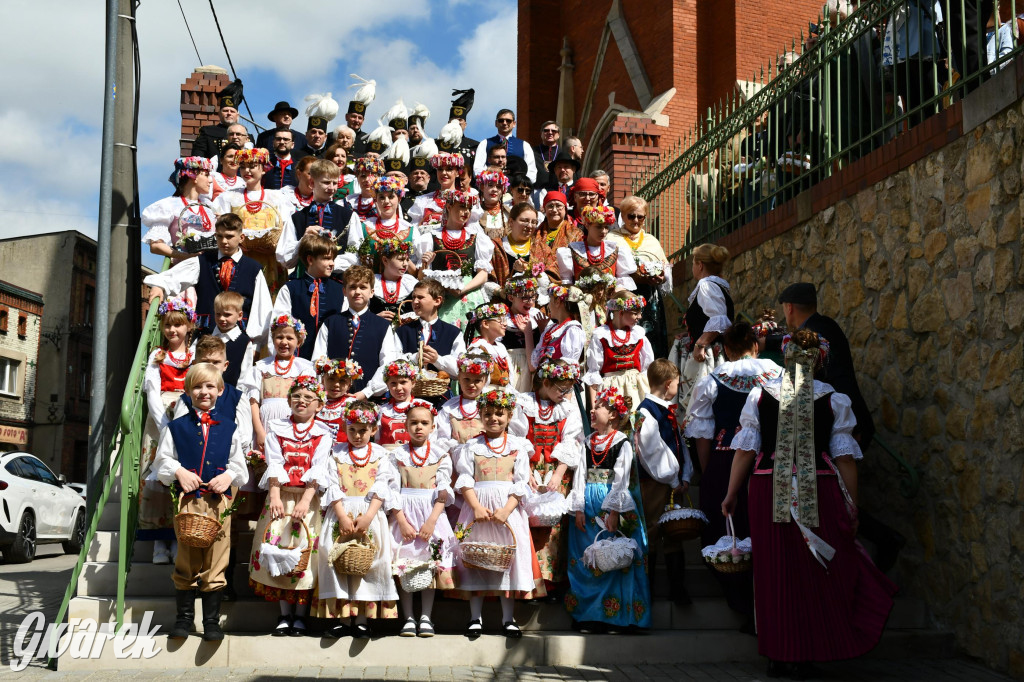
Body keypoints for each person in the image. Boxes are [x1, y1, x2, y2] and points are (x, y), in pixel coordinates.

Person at [723, 330, 896, 678]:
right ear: (820, 359)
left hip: (767, 486)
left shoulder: (760, 395)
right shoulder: (833, 400)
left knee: (775, 571)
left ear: (786, 356)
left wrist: (731, 492)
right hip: (819, 486)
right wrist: (853, 505)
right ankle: (807, 652)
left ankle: (778, 653)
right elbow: (845, 458)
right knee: (817, 569)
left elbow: (746, 449)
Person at [686, 320, 781, 625]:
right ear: (755, 345)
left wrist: (708, 468)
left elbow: (702, 432)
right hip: (770, 460)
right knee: (764, 526)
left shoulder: (712, 379)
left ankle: (740, 600)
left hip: (726, 460)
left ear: (725, 349)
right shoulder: (778, 375)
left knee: (726, 529)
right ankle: (767, 599)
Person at [154, 362, 248, 642]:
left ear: (220, 390)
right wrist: (179, 471)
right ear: (188, 391)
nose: (203, 392)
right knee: (187, 557)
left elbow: (239, 467)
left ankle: (211, 621)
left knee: (217, 558)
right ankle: (183, 619)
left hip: (218, 502)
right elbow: (162, 462)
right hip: (188, 502)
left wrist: (227, 476)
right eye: (197, 386)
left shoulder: (230, 427)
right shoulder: (176, 427)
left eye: (209, 386)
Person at [309, 400, 400, 638]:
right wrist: (341, 515)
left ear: (373, 429)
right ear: (345, 427)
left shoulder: (381, 454)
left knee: (367, 562)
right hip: (341, 512)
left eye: (363, 430)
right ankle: (339, 617)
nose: (358, 435)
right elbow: (330, 483)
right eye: (352, 430)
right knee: (336, 559)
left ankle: (361, 618)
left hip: (369, 514)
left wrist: (369, 516)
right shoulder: (336, 453)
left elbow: (383, 485)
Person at [249, 376, 330, 636]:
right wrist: (274, 495)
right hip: (281, 496)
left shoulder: (323, 432)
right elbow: (274, 462)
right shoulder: (277, 428)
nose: (302, 401)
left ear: (318, 405)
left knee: (304, 553)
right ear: (288, 401)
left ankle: (301, 616)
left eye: (308, 398)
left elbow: (317, 468)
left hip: (308, 499)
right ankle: (284, 615)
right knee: (279, 549)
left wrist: (306, 500)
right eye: (297, 397)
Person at [452, 388, 536, 638]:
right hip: (478, 508)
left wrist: (508, 510)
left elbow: (521, 483)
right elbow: (466, 479)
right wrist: (476, 506)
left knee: (506, 561)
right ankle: (474, 618)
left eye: (500, 414)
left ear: (510, 416)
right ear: (480, 415)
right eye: (487, 414)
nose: (493, 419)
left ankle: (508, 619)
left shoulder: (517, 446)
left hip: (506, 511)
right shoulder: (471, 446)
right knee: (476, 557)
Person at [566, 386, 651, 634]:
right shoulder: (587, 442)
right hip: (588, 504)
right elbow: (580, 475)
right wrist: (579, 508)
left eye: (599, 406)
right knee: (588, 557)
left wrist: (615, 511)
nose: (592, 410)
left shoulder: (621, 442)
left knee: (613, 557)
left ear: (613, 414)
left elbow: (622, 478)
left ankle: (617, 617)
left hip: (611, 504)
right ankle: (589, 615)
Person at [509, 359, 583, 597]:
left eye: (569, 389)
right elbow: (518, 440)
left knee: (554, 527)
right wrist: (526, 472)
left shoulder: (568, 408)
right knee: (528, 522)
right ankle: (530, 582)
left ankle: (552, 583)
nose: (566, 394)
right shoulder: (523, 403)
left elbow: (571, 441)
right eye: (562, 389)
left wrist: (559, 474)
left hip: (557, 470)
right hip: (527, 470)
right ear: (546, 382)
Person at [767, 282, 874, 446]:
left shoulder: (817, 333)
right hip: (843, 414)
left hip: (842, 417)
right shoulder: (826, 325)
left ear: (789, 308)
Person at [145, 213, 272, 342]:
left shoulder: (253, 268)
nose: (224, 241)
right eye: (220, 236)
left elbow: (261, 307)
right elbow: (174, 277)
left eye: (229, 237)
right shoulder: (202, 261)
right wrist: (160, 286)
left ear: (241, 237)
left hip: (239, 339)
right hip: (205, 337)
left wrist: (256, 343)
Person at [388, 401, 456, 638]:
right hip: (405, 515)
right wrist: (402, 521)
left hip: (430, 515)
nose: (419, 427)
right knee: (405, 566)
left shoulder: (440, 456)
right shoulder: (397, 456)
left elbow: (443, 492)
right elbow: (391, 491)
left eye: (424, 423)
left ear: (433, 426)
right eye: (414, 422)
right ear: (405, 425)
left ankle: (426, 616)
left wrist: (432, 521)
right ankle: (408, 617)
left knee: (429, 565)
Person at [634, 359, 695, 606]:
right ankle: (646, 590)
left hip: (672, 483)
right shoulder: (646, 411)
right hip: (656, 483)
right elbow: (651, 452)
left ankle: (677, 588)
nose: (678, 387)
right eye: (678, 383)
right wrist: (672, 480)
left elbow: (678, 443)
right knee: (653, 529)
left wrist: (686, 475)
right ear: (668, 383)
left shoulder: (666, 410)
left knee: (673, 532)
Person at [139, 299, 195, 564]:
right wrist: (164, 426)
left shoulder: (194, 356)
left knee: (180, 476)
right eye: (168, 325)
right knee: (157, 478)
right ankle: (158, 542)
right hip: (159, 418)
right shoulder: (157, 355)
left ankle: (176, 537)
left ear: (189, 326)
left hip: (185, 416)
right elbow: (151, 390)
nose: (173, 330)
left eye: (178, 325)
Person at [310, 265, 402, 398]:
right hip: (331, 398)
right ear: (344, 291)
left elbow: (387, 364)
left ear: (371, 292)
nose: (357, 292)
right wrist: (326, 389)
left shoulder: (382, 326)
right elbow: (318, 360)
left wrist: (367, 392)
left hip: (368, 400)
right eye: (352, 287)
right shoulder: (331, 323)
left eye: (363, 287)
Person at [215, 147, 293, 296]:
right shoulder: (229, 197)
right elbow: (222, 226)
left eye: (252, 167)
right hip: (239, 259)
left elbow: (286, 227)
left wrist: (276, 248)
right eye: (243, 167)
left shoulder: (277, 197)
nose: (247, 171)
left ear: (263, 169)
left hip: (271, 259)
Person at [239, 315, 316, 456]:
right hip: (266, 423)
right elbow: (253, 402)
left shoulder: (304, 368)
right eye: (279, 337)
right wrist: (260, 431)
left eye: (290, 338)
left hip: (293, 422)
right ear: (273, 339)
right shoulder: (261, 367)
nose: (284, 342)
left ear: (298, 341)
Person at [609, 196, 673, 359]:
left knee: (651, 341)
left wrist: (661, 276)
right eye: (631, 216)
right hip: (622, 296)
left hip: (649, 298)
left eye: (640, 216)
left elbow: (665, 267)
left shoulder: (652, 240)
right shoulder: (611, 238)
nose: (635, 220)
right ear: (622, 216)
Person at [421, 190, 493, 326]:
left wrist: (463, 289)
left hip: (470, 296)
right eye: (461, 207)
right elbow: (422, 277)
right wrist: (425, 264)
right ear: (449, 207)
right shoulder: (431, 237)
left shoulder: (476, 237)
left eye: (469, 208)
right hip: (440, 297)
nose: (466, 212)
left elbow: (483, 274)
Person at [677, 243, 733, 413]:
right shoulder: (717, 286)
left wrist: (701, 343)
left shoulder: (706, 286)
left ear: (700, 265)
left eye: (693, 263)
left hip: (709, 358)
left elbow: (719, 319)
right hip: (712, 353)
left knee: (702, 409)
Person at [277, 159, 359, 273]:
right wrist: (303, 241)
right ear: (312, 183)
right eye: (326, 182)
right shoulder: (297, 218)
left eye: (335, 183)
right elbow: (284, 260)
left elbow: (356, 255)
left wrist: (327, 264)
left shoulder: (348, 216)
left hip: (337, 283)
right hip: (304, 283)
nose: (331, 188)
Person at [273, 232, 346, 359]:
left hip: (330, 361)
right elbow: (279, 325)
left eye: (333, 259)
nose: (332, 263)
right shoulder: (291, 289)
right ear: (310, 259)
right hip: (298, 360)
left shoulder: (340, 290)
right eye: (326, 258)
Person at [584, 291, 654, 411]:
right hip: (611, 391)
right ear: (621, 312)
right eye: (635, 313)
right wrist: (594, 407)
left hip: (636, 390)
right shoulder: (601, 335)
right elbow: (593, 375)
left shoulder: (638, 334)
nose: (640, 317)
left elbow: (647, 369)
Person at [142, 157, 216, 260]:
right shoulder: (169, 205)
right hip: (182, 268)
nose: (210, 180)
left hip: (209, 267)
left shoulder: (209, 207)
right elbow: (156, 246)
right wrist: (186, 256)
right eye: (207, 175)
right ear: (193, 175)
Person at [345, 176, 423, 274]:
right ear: (375, 200)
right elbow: (354, 256)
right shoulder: (365, 226)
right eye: (381, 197)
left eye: (391, 197)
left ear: (399, 199)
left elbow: (415, 268)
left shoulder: (409, 228)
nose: (386, 201)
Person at [394, 279, 465, 383]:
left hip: (441, 397)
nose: (415, 301)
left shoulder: (453, 333)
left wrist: (437, 360)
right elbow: (391, 364)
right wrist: (415, 358)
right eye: (413, 297)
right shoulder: (402, 331)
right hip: (408, 395)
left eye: (420, 297)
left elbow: (460, 370)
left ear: (437, 301)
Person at [557, 205, 637, 291]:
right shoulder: (573, 251)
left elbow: (622, 281)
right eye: (598, 227)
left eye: (606, 227)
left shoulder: (615, 250)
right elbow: (567, 282)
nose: (604, 231)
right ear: (587, 225)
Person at [501, 275, 545, 393]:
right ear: (511, 298)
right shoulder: (503, 318)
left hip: (533, 365)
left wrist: (542, 328)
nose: (530, 302)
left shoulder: (536, 315)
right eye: (524, 298)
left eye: (533, 297)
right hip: (511, 364)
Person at [436, 351, 491, 444]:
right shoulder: (450, 408)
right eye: (466, 379)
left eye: (477, 380)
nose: (471, 384)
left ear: (485, 381)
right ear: (459, 378)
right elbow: (442, 438)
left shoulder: (491, 405)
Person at [408, 152, 472, 228]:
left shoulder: (467, 199)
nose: (444, 173)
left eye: (449, 169)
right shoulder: (423, 200)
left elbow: (471, 230)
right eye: (440, 169)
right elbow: (415, 229)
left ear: (457, 173)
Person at [473, 109, 538, 183]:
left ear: (514, 123)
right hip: (492, 187)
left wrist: (521, 184)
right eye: (501, 120)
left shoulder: (524, 145)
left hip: (517, 189)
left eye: (508, 120)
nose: (504, 123)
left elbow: (532, 172)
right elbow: (477, 169)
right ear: (496, 123)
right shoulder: (484, 143)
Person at [532, 284, 586, 369]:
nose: (548, 305)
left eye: (550, 300)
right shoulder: (551, 328)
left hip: (559, 382)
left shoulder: (572, 329)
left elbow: (569, 367)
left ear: (557, 301)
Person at [208, 291, 255, 388]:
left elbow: (244, 376)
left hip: (230, 394)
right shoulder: (206, 337)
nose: (221, 318)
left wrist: (236, 396)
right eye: (218, 314)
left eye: (227, 314)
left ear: (240, 315)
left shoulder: (244, 342)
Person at [462, 303, 515, 391]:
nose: (505, 323)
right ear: (486, 323)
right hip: (487, 396)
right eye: (500, 320)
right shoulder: (478, 348)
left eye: (505, 319)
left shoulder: (500, 347)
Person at [191, 79, 248, 159]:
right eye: (225, 111)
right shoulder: (207, 131)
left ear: (237, 115)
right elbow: (197, 157)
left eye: (232, 111)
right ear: (219, 114)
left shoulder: (248, 136)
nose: (229, 113)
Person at [531, 191, 582, 280]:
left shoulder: (576, 234)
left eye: (558, 206)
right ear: (545, 209)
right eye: (550, 206)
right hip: (537, 280)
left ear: (565, 209)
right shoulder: (535, 234)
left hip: (564, 283)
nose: (554, 210)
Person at [492, 203, 541, 289]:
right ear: (511, 222)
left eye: (534, 222)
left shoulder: (541, 248)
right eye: (525, 221)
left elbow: (551, 278)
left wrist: (527, 268)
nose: (530, 226)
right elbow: (488, 278)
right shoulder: (495, 246)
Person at [313, 357, 362, 443]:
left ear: (349, 385)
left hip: (341, 451)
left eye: (342, 381)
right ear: (323, 380)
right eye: (331, 379)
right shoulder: (315, 401)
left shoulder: (351, 404)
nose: (336, 384)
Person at [375, 360, 419, 448]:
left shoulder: (423, 407)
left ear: (413, 383)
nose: (398, 388)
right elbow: (377, 440)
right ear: (387, 385)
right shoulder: (382, 410)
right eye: (393, 383)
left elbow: (431, 438)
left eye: (403, 382)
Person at [476, 170, 511, 241]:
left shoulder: (509, 213)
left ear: (503, 190)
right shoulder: (475, 212)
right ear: (482, 187)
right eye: (490, 185)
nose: (494, 189)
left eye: (498, 186)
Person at [346, 157, 384, 221]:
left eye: (373, 175)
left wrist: (375, 196)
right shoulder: (348, 201)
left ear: (380, 177)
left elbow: (386, 222)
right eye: (363, 176)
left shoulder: (387, 201)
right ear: (357, 178)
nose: (367, 179)